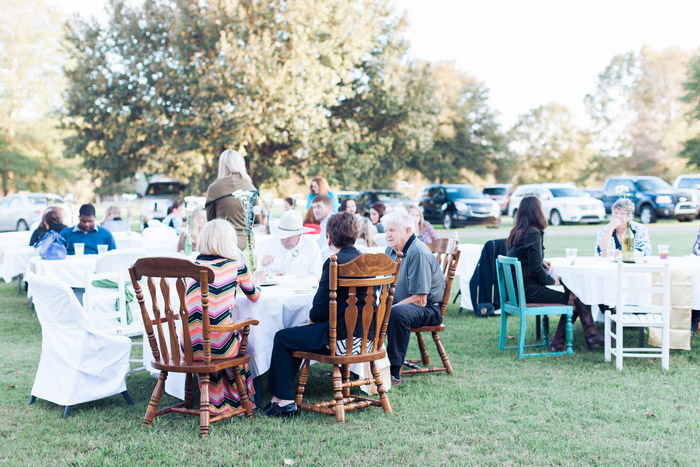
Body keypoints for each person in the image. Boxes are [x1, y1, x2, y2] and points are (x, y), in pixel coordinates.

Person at [264, 212, 364, 417]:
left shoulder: (334, 262)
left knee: (283, 337)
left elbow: (319, 308)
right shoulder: (367, 260)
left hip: (341, 337)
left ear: (329, 237)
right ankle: (278, 399)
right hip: (366, 336)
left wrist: (309, 322)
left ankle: (284, 401)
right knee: (293, 336)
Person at [183, 219, 266, 414]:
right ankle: (234, 398)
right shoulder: (236, 266)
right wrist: (258, 280)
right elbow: (254, 296)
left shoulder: (191, 266)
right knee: (240, 340)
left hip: (189, 345)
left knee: (212, 333)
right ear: (228, 241)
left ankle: (212, 396)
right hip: (219, 346)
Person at [506, 196, 604, 351]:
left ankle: (584, 338)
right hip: (529, 291)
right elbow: (536, 270)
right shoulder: (533, 233)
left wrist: (541, 262)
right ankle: (580, 338)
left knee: (575, 296)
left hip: (519, 290)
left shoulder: (517, 232)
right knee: (576, 296)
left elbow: (525, 260)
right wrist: (553, 282)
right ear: (537, 212)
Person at [383, 211, 445, 385]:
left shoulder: (417, 252)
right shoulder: (391, 250)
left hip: (428, 308)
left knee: (397, 314)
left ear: (408, 230)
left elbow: (420, 298)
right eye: (386, 230)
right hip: (402, 303)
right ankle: (366, 364)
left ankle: (394, 372)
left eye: (392, 230)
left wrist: (390, 308)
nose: (388, 234)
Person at [205, 149, 259, 251]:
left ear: (222, 165)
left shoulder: (214, 188)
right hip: (248, 244)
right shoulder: (250, 187)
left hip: (223, 243)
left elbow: (211, 220)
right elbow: (257, 219)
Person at [258, 210, 322, 276]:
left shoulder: (311, 247)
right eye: (282, 235)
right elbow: (255, 277)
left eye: (289, 236)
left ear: (299, 234)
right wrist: (262, 265)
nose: (285, 239)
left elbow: (316, 276)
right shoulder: (266, 246)